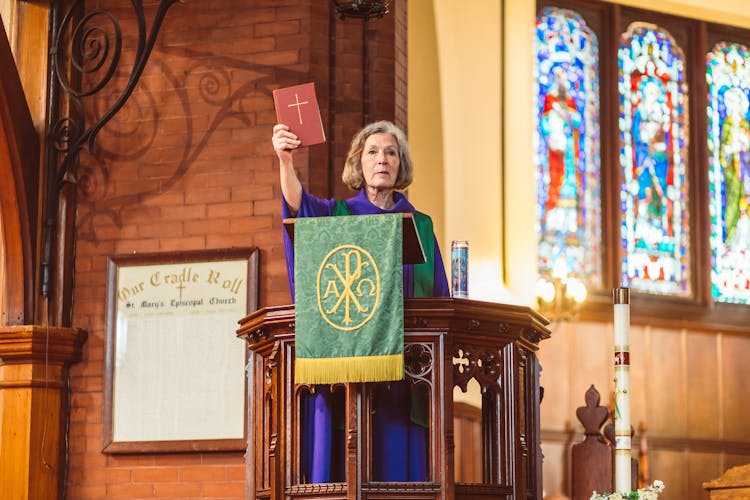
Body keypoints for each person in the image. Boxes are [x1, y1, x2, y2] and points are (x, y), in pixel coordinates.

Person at [272, 120, 450, 483]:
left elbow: (440, 301)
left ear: (400, 165)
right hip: (347, 374)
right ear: (359, 163)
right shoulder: (337, 215)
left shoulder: (421, 225)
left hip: (406, 374)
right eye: (372, 152)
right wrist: (285, 161)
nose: (382, 159)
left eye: (390, 152)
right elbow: (297, 207)